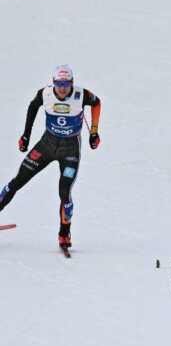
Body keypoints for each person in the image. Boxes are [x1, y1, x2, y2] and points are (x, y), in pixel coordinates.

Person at [0, 65, 102, 252]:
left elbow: (97, 103)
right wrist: (25, 136)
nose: (62, 88)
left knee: (65, 193)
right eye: (58, 83)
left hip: (70, 150)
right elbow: (32, 107)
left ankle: (64, 233)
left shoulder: (81, 95)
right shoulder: (45, 94)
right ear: (53, 83)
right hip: (46, 145)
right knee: (17, 181)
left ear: (72, 83)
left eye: (66, 83)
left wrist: (93, 132)